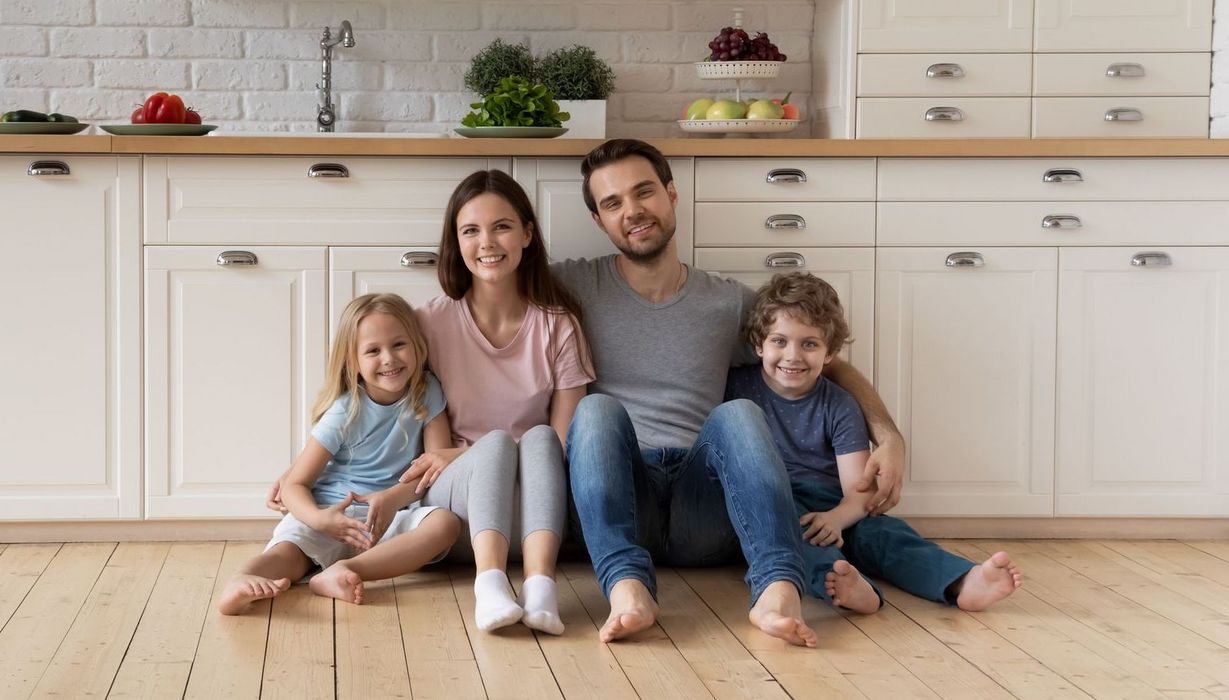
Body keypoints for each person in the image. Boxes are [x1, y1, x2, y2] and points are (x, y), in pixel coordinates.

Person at [554, 139, 906, 647]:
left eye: (644, 192)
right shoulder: (572, 285)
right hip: (624, 498)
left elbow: (820, 361)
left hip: (708, 505)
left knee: (738, 413)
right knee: (596, 410)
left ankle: (776, 590)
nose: (632, 211)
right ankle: (628, 587)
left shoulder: (727, 301)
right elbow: (489, 282)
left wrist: (888, 436)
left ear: (672, 195)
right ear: (599, 220)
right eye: (612, 203)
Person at [726, 272, 1022, 613]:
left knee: (888, 537)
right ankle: (846, 586)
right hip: (773, 500)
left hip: (835, 504)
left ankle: (963, 581)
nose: (792, 355)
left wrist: (838, 518)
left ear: (829, 353)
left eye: (809, 344)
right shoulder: (737, 388)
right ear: (758, 344)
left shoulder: (839, 404)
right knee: (799, 536)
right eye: (779, 341)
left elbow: (860, 488)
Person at [401, 169, 595, 635]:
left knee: (543, 438)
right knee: (499, 446)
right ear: (456, 241)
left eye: (502, 226)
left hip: (536, 510)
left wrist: (491, 450)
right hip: (457, 507)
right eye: (471, 230)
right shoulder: (428, 323)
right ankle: (488, 586)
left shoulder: (558, 325)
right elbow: (428, 447)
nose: (487, 242)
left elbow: (564, 445)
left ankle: (540, 588)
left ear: (527, 234)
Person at [219, 293, 460, 615]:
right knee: (289, 553)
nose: (389, 358)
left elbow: (434, 464)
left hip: (392, 513)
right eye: (373, 351)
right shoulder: (344, 412)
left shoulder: (427, 391)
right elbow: (294, 485)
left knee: (444, 525)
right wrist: (321, 519)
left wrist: (391, 499)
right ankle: (242, 580)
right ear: (353, 361)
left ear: (417, 345)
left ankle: (345, 571)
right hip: (332, 511)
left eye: (399, 344)